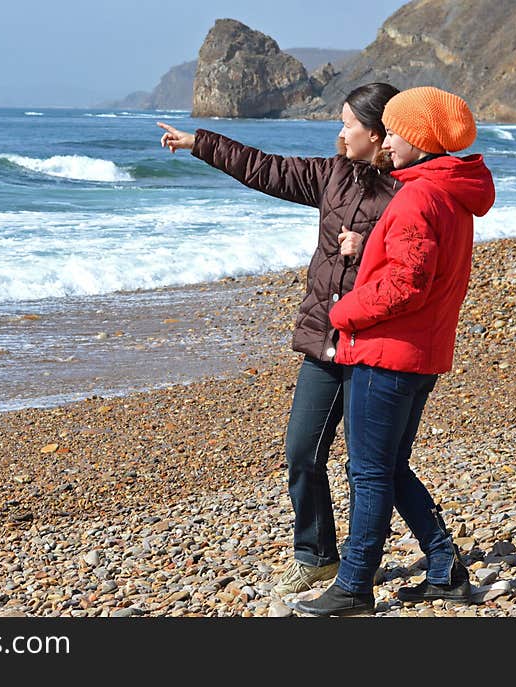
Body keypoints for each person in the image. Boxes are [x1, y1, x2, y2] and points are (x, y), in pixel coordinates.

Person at [157, 83, 401, 597]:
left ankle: (362, 567)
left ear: (376, 134)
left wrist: (365, 249)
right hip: (323, 338)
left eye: (348, 125)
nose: (340, 133)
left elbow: (411, 265)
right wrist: (198, 142)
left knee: (369, 465)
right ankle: (316, 557)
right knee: (300, 452)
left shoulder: (406, 192)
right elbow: (267, 168)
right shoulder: (333, 174)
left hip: (372, 345)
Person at [294, 86, 496, 616]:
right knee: (389, 464)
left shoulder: (418, 195)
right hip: (420, 351)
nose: (389, 142)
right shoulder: (449, 192)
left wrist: (342, 314)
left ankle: (354, 585)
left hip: (388, 355)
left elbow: (407, 283)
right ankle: (444, 565)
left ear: (420, 138)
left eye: (396, 131)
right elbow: (422, 268)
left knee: (368, 471)